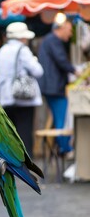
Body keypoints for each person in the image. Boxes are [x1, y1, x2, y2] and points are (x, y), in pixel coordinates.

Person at [0, 22, 44, 158]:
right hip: (23, 97)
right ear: (22, 37)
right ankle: (26, 160)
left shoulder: (2, 50)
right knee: (24, 130)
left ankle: (10, 158)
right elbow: (38, 71)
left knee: (10, 132)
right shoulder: (23, 50)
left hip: (6, 97)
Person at [37, 17, 79, 154]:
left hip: (50, 86)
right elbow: (61, 60)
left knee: (58, 117)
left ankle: (63, 147)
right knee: (62, 119)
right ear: (61, 28)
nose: (70, 33)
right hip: (54, 87)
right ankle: (65, 148)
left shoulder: (49, 40)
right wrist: (75, 71)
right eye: (69, 29)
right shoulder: (53, 40)